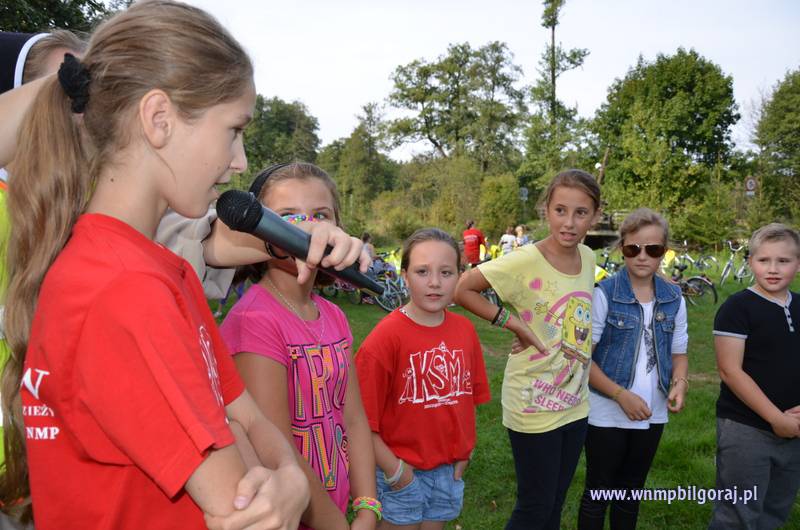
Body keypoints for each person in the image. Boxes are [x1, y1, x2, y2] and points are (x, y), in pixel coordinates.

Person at [1, 2, 313, 528]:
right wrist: (281, 477)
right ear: (159, 119)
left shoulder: (165, 271)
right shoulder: (124, 289)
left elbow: (249, 419)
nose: (240, 161)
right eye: (233, 130)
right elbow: (242, 505)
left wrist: (292, 479)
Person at [220, 163, 379, 530]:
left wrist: (367, 506)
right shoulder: (255, 320)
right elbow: (274, 447)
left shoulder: (334, 316)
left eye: (320, 215)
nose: (308, 228)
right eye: (287, 216)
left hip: (336, 508)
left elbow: (353, 418)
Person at [455, 169, 601, 530]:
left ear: (595, 216)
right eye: (560, 210)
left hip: (576, 402)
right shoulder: (524, 259)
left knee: (554, 504)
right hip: (533, 401)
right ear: (546, 209)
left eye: (581, 213)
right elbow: (462, 289)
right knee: (535, 508)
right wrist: (513, 323)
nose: (569, 222)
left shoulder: (588, 257)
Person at [356, 228, 491, 529]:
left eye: (446, 272)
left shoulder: (465, 331)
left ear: (459, 276)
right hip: (400, 469)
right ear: (404, 276)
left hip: (448, 471)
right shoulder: (385, 338)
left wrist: (465, 452)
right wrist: (396, 471)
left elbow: (468, 399)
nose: (434, 282)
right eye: (422, 271)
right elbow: (359, 422)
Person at [577, 208, 689, 530]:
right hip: (606, 411)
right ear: (621, 248)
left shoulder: (674, 298)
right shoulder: (604, 295)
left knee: (631, 492)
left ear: (664, 252)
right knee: (598, 491)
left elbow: (679, 351)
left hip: (653, 411)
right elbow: (583, 359)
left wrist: (680, 382)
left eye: (652, 249)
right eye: (633, 248)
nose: (642, 256)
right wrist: (619, 395)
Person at [709, 223, 800, 530]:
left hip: (795, 427)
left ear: (798, 264)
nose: (773, 269)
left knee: (775, 509)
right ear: (750, 262)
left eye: (783, 261)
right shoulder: (737, 308)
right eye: (764, 260)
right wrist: (776, 418)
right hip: (746, 428)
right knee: (738, 513)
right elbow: (730, 371)